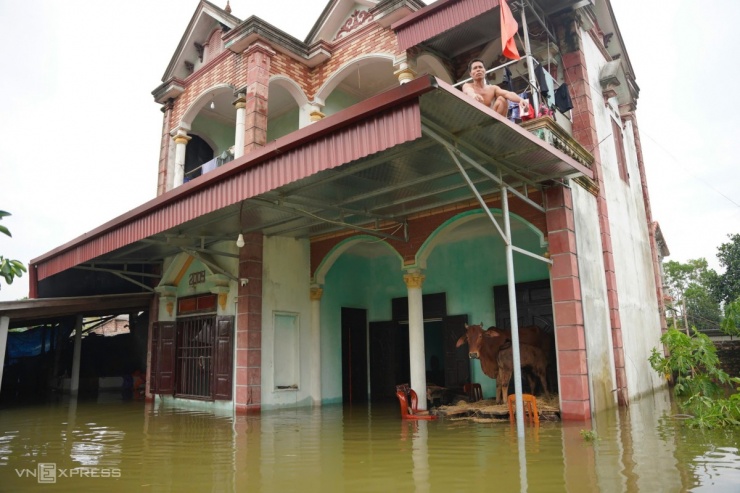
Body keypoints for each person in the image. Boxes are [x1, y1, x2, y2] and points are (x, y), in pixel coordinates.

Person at [462, 58, 530, 117]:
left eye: (480, 67)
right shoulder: (468, 85)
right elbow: (468, 91)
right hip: (477, 120)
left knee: (502, 99)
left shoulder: (492, 88)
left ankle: (500, 125)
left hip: (492, 119)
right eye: (475, 68)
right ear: (470, 73)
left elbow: (508, 94)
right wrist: (474, 95)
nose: (478, 70)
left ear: (485, 70)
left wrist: (521, 100)